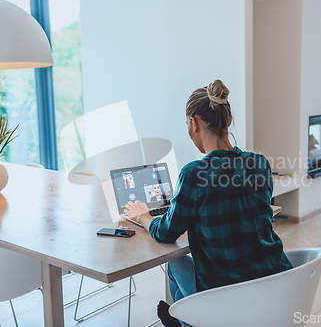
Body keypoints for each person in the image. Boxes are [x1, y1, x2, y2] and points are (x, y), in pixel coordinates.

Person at [124, 79, 292, 327]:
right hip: (274, 287)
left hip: (226, 300)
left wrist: (143, 217)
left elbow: (166, 232)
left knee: (173, 258)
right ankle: (180, 318)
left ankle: (185, 320)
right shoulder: (259, 163)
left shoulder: (194, 174)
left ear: (193, 123)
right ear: (229, 121)